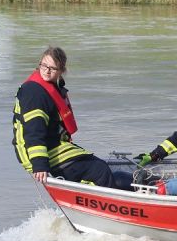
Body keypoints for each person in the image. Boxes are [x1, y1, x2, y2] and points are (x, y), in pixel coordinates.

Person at [12, 46, 115, 187]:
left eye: (52, 68)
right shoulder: (34, 93)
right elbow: (34, 130)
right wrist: (40, 164)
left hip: (53, 144)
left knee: (101, 166)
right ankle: (105, 205)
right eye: (44, 66)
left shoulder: (51, 87)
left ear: (61, 71)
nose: (47, 71)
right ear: (39, 64)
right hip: (39, 152)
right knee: (100, 170)